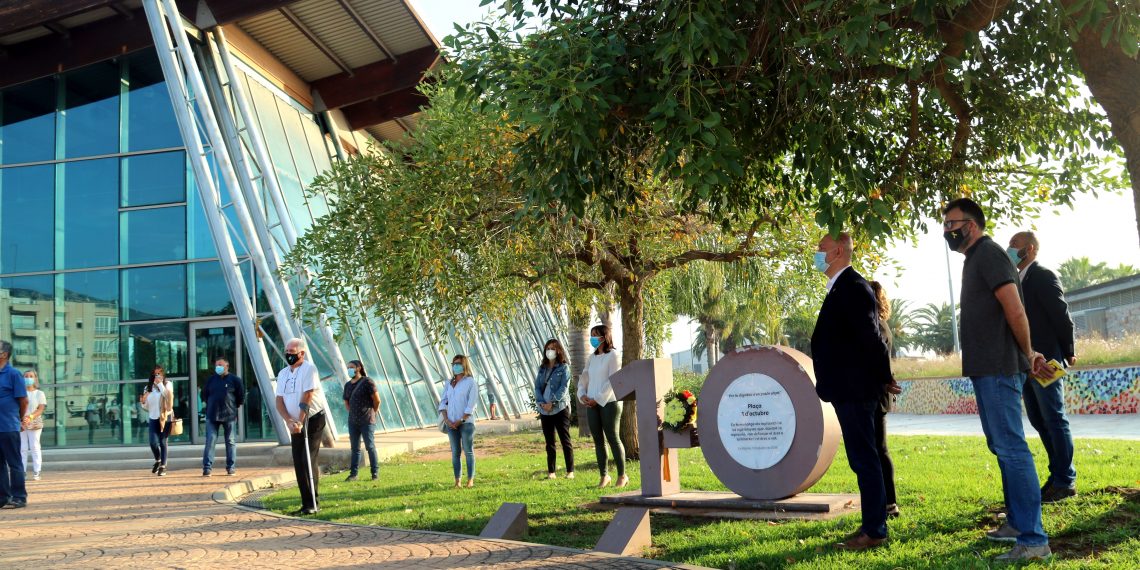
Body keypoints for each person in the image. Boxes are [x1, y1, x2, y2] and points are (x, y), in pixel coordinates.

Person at [943, 198, 1051, 561]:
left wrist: (1029, 352)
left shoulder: (988, 254)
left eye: (951, 224)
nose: (947, 231)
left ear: (970, 225)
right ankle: (1018, 525)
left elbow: (1014, 307)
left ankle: (1034, 540)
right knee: (1002, 446)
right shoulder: (976, 259)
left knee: (1012, 448)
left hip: (999, 368)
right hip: (987, 368)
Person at [810, 234, 895, 551]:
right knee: (864, 459)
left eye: (821, 250)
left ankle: (874, 531)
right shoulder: (841, 288)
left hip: (857, 390)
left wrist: (884, 378)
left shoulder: (854, 287)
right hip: (850, 388)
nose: (817, 255)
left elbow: (873, 340)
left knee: (865, 460)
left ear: (837, 251)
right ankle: (872, 524)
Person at [1008, 231, 1078, 503]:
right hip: (1025, 364)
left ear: (1031, 249)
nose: (1010, 249)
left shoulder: (1043, 276)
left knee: (1054, 418)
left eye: (1015, 245)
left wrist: (1068, 352)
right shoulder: (1015, 281)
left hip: (1046, 361)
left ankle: (1065, 480)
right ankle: (1058, 474)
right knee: (1039, 419)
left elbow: (1062, 316)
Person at [275, 337, 326, 515]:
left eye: (292, 352)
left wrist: (301, 420)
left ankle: (313, 503)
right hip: (294, 422)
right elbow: (279, 401)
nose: (289, 354)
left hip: (312, 418)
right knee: (298, 460)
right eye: (287, 351)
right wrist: (289, 420)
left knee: (308, 458)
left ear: (301, 353)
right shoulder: (283, 374)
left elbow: (308, 395)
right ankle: (305, 503)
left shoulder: (309, 369)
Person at [868, 281, 902, 518]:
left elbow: (878, 356)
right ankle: (886, 502)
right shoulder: (881, 323)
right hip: (879, 392)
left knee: (878, 449)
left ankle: (889, 503)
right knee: (879, 449)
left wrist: (887, 379)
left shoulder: (876, 325)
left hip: (875, 394)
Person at [578, 324, 627, 489]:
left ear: (604, 337)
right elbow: (584, 377)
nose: (593, 338)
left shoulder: (613, 355)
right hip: (591, 403)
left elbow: (613, 380)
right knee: (598, 440)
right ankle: (604, 476)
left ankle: (622, 475)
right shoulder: (591, 358)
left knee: (613, 438)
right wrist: (582, 394)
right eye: (591, 335)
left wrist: (598, 399)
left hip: (609, 402)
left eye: (596, 335)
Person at [534, 338, 575, 480]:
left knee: (565, 440)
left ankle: (570, 471)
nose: (549, 351)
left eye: (552, 348)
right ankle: (551, 472)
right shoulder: (542, 369)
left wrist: (553, 402)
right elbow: (537, 387)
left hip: (560, 408)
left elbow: (564, 387)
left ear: (558, 351)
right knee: (549, 442)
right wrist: (541, 402)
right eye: (547, 348)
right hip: (544, 409)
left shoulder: (564, 368)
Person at [201, 357, 245, 477]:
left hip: (229, 415)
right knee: (210, 441)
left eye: (220, 365)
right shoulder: (211, 380)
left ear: (227, 366)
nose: (218, 367)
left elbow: (240, 396)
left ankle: (231, 467)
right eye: (216, 365)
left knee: (230, 442)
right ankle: (207, 468)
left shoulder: (235, 380)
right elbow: (204, 394)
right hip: (212, 415)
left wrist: (234, 407)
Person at [439, 355, 478, 488]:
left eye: (458, 363)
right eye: (454, 363)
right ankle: (457, 481)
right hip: (451, 423)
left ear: (464, 365)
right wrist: (446, 419)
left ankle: (470, 480)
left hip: (466, 423)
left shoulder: (470, 382)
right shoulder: (449, 383)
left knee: (468, 451)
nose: (455, 366)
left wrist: (461, 420)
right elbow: (443, 402)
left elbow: (471, 405)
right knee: (455, 452)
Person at [0, 340, 28, 508]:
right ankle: (3, 497)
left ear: (4, 354)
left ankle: (19, 497)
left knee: (14, 463)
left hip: (8, 426)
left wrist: (19, 418)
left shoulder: (14, 374)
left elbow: (23, 400)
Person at [342, 359, 380, 481]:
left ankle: (375, 473)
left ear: (358, 368)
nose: (349, 370)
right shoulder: (347, 385)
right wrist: (352, 412)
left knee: (370, 446)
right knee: (355, 448)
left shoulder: (367, 382)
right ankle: (354, 474)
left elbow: (377, 400)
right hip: (353, 421)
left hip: (367, 420)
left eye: (351, 367)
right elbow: (346, 401)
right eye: (348, 367)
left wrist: (373, 412)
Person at [139, 366, 174, 476]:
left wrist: (160, 384)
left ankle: (163, 466)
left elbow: (168, 398)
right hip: (153, 417)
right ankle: (158, 459)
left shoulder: (167, 384)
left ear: (163, 375)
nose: (157, 376)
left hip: (165, 417)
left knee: (163, 442)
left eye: (159, 373)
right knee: (153, 442)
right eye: (155, 374)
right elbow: (146, 407)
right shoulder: (148, 387)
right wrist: (143, 401)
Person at [20, 370, 46, 481]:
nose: (28, 378)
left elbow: (40, 409)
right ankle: (22, 472)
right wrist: (21, 419)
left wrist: (30, 417)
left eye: (31, 376)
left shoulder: (40, 393)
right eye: (26, 376)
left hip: (34, 422)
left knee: (35, 447)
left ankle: (37, 471)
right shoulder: (19, 393)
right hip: (21, 422)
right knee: (22, 448)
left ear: (35, 378)